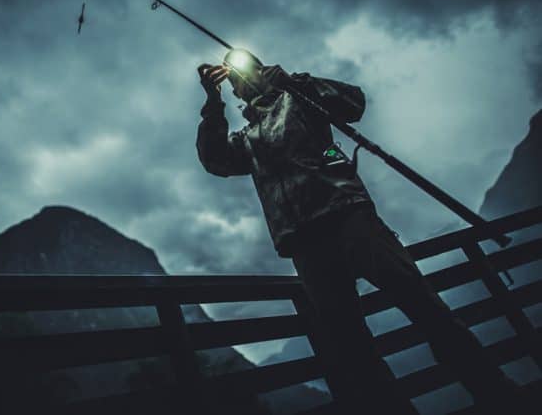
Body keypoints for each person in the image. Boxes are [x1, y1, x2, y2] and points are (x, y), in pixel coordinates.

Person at [195, 50, 523, 414]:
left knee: (426, 309)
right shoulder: (248, 139)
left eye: (245, 67)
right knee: (352, 349)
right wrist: (212, 105)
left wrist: (293, 80)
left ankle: (498, 394)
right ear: (235, 92)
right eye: (233, 78)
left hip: (350, 218)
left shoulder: (299, 98)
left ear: (262, 68)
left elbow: (353, 102)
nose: (241, 79)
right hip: (303, 243)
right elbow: (215, 160)